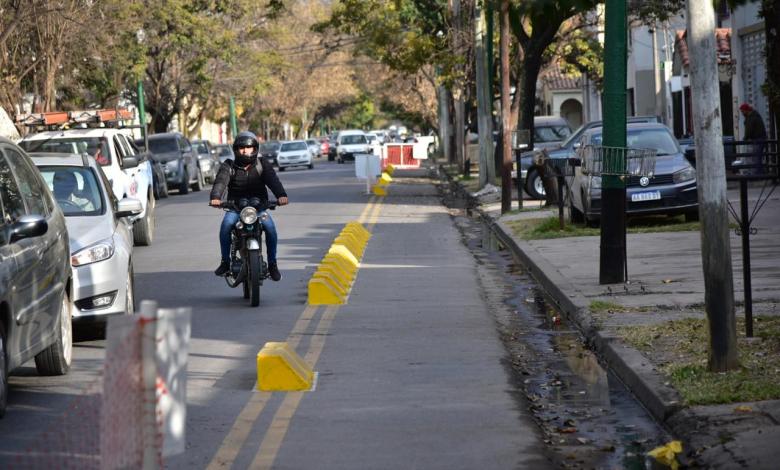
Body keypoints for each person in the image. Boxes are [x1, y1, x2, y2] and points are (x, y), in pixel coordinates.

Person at [209, 131, 288, 280]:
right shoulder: (229, 165)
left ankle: (272, 264)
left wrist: (281, 196)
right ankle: (225, 262)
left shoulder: (262, 164)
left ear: (255, 149)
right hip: (236, 208)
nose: (245, 151)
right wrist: (216, 197)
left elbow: (273, 181)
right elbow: (220, 182)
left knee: (271, 229)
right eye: (241, 148)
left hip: (259, 208)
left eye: (249, 147)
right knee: (226, 225)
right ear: (236, 150)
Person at [739, 103, 768, 175]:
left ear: (746, 110)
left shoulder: (751, 118)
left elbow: (749, 130)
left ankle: (756, 173)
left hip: (757, 139)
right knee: (758, 157)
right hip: (761, 138)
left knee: (755, 157)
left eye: (742, 111)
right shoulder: (755, 116)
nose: (742, 113)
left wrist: (745, 138)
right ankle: (758, 172)